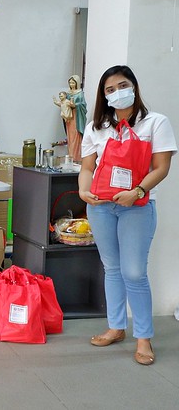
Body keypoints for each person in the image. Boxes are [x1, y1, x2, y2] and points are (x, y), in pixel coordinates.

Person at [79, 65, 176, 365]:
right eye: (110, 90)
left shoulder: (155, 123)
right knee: (112, 268)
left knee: (134, 272)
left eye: (122, 86)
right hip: (101, 206)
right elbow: (87, 167)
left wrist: (137, 191)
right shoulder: (96, 127)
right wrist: (83, 191)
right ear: (103, 96)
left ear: (134, 86)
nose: (117, 93)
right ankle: (116, 327)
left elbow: (161, 167)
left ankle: (143, 338)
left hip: (137, 206)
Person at [65, 75, 87, 162]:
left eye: (73, 83)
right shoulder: (68, 93)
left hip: (77, 117)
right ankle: (71, 155)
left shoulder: (80, 93)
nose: (71, 84)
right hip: (69, 117)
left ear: (77, 83)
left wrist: (75, 105)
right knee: (70, 136)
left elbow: (83, 105)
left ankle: (77, 157)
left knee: (76, 135)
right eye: (70, 83)